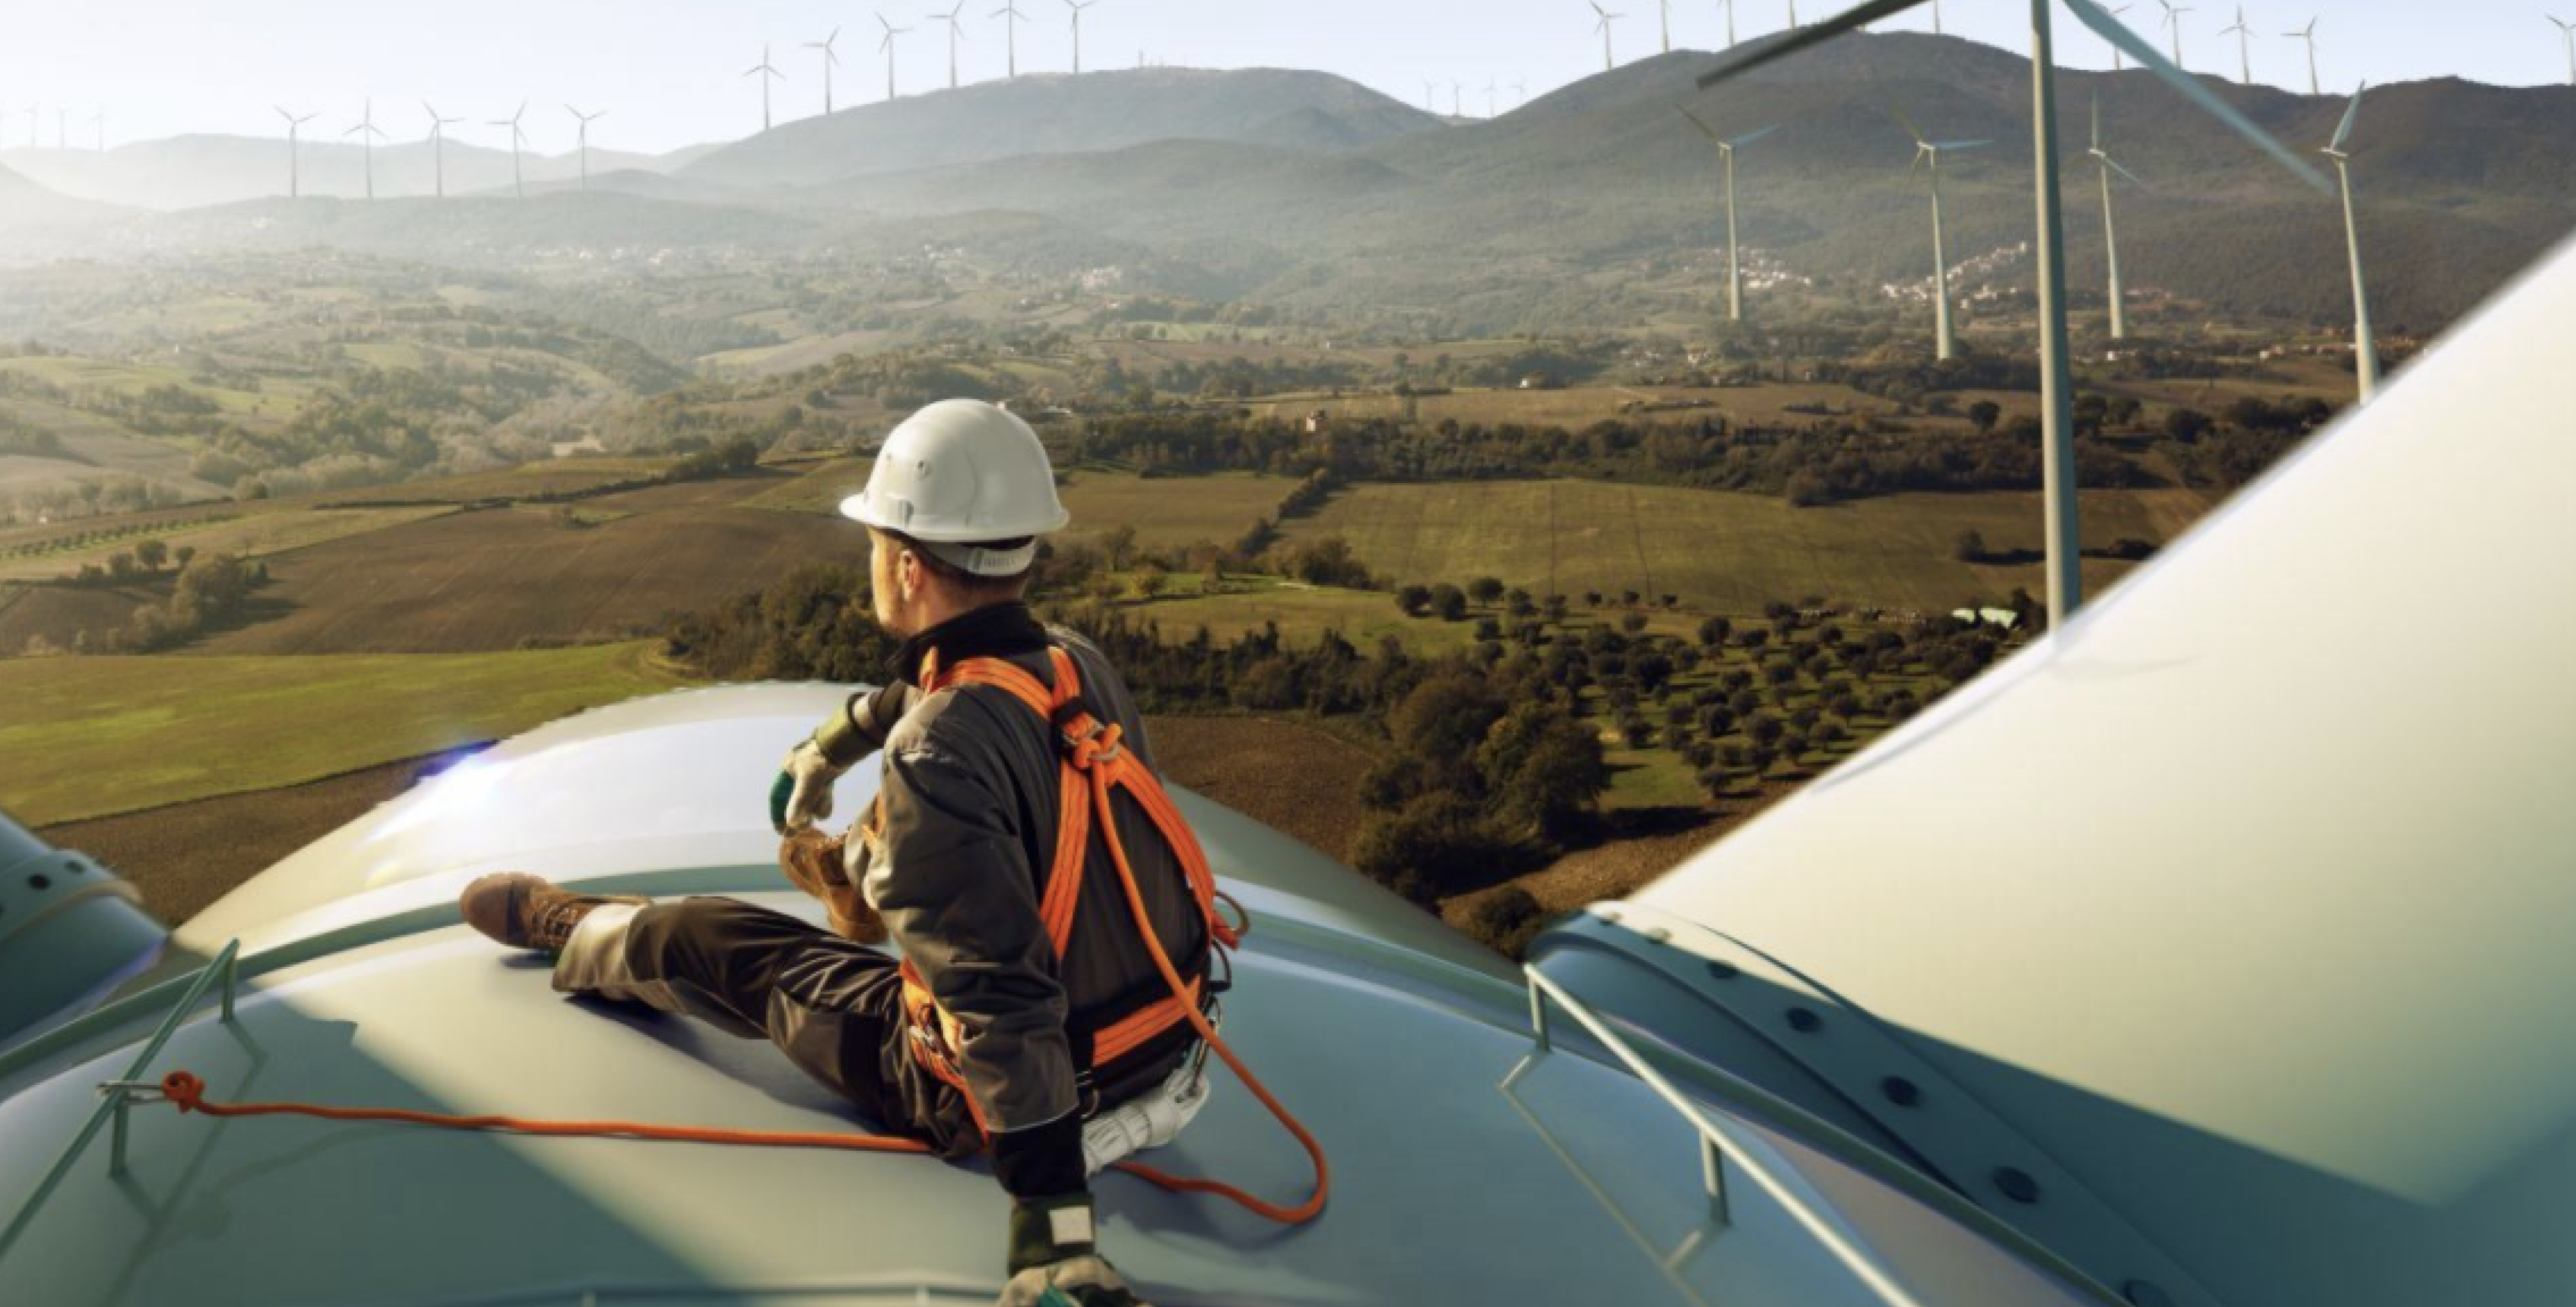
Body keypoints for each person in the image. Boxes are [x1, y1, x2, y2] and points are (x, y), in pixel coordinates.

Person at [460, 399, 1220, 1307]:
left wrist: (1051, 1228)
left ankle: (580, 930)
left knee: (713, 939)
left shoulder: (936, 752)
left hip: (1004, 1093)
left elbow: (1001, 999)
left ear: (905, 565)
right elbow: (933, 684)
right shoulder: (1074, 663)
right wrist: (826, 749)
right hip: (1167, 1043)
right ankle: (859, 876)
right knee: (922, 833)